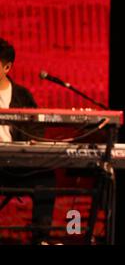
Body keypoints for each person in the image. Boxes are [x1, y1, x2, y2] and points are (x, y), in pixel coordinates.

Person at [0, 38, 56, 245]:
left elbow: (36, 130)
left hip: (18, 166)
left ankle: (42, 238)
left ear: (7, 67)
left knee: (46, 178)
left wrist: (29, 145)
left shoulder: (22, 96)